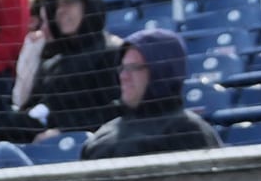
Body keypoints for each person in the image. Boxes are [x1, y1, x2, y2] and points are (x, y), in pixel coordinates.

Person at [0, 0, 125, 143]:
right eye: (57, 6)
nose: (61, 11)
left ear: (90, 7)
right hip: (44, 140)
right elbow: (35, 109)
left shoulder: (112, 53)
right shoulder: (52, 63)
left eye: (69, 3)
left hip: (92, 142)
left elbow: (115, 109)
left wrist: (64, 131)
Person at [80, 29, 222, 160]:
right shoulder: (101, 138)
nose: (123, 76)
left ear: (162, 71)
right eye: (122, 68)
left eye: (134, 68)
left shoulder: (189, 132)